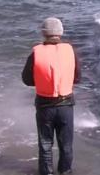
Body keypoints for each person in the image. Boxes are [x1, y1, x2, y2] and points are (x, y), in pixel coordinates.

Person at [21, 17, 81, 175]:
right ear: (60, 33)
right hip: (66, 105)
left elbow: (26, 79)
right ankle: (65, 171)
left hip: (44, 106)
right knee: (66, 145)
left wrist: (42, 81)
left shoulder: (36, 53)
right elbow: (78, 77)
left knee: (45, 144)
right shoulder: (70, 51)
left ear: (44, 34)